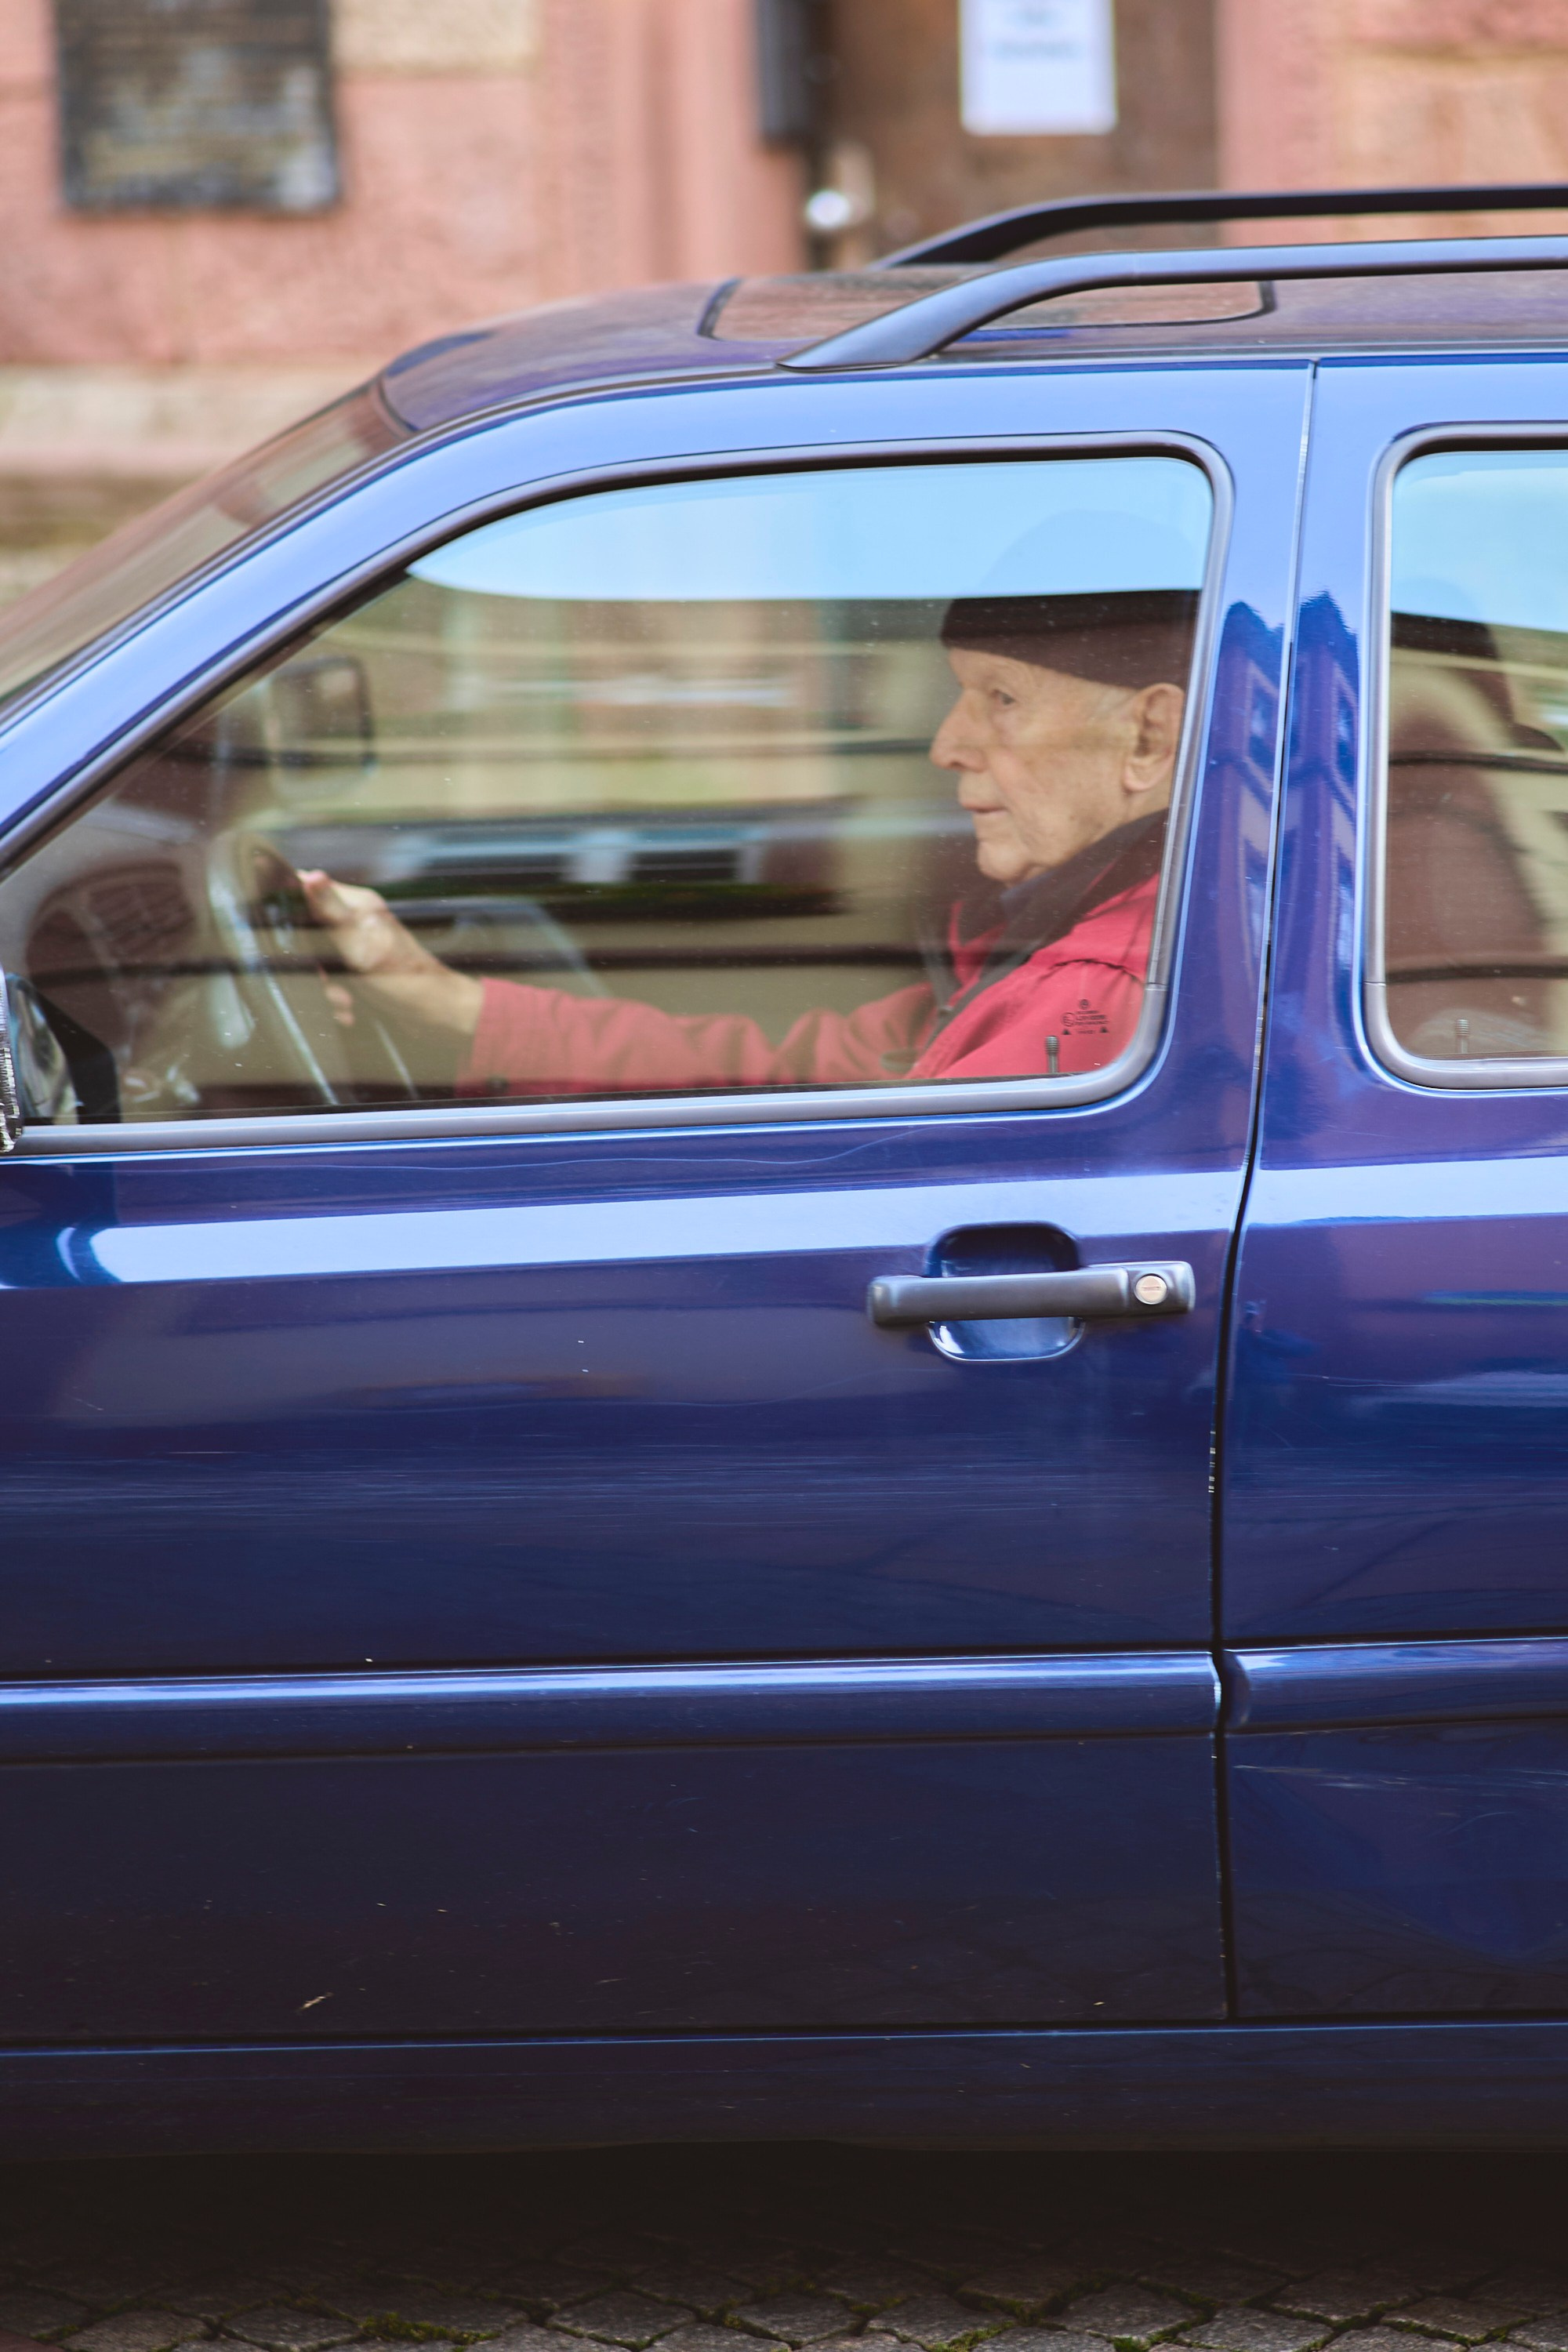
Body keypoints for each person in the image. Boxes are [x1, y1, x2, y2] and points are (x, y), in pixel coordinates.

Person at [298, 589, 1192, 1098]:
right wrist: (448, 1006)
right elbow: (787, 1073)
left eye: (1000, 699)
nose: (945, 746)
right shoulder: (1055, 952)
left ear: (1147, 740)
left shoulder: (1091, 998)